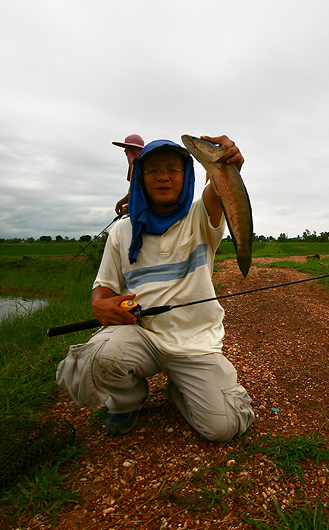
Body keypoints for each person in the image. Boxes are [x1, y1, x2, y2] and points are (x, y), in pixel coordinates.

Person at [56, 136, 255, 441]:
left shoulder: (201, 217)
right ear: (141, 179)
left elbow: (222, 187)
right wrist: (100, 305)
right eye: (153, 171)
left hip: (195, 343)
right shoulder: (123, 231)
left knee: (224, 427)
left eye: (172, 170)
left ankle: (181, 387)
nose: (163, 177)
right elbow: (104, 289)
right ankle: (127, 401)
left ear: (186, 175)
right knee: (94, 359)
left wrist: (228, 163)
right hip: (142, 336)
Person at [112, 134, 145, 216]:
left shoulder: (138, 166)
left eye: (126, 149)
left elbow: (135, 191)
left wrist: (119, 203)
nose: (125, 152)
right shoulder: (140, 165)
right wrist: (131, 206)